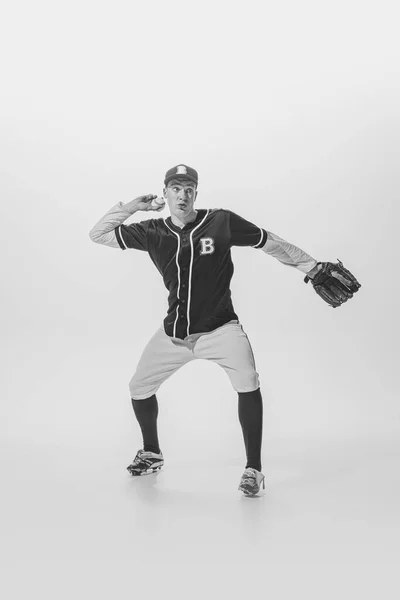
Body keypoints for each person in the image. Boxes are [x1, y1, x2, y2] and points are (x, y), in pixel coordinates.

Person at [89, 164, 324, 496]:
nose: (182, 194)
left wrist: (310, 266)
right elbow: (98, 234)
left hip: (221, 330)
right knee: (139, 387)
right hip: (175, 335)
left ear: (196, 193)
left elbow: (269, 242)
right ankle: (152, 453)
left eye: (189, 188)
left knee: (248, 382)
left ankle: (253, 469)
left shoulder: (220, 222)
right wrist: (131, 207)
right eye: (175, 188)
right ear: (165, 192)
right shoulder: (152, 231)